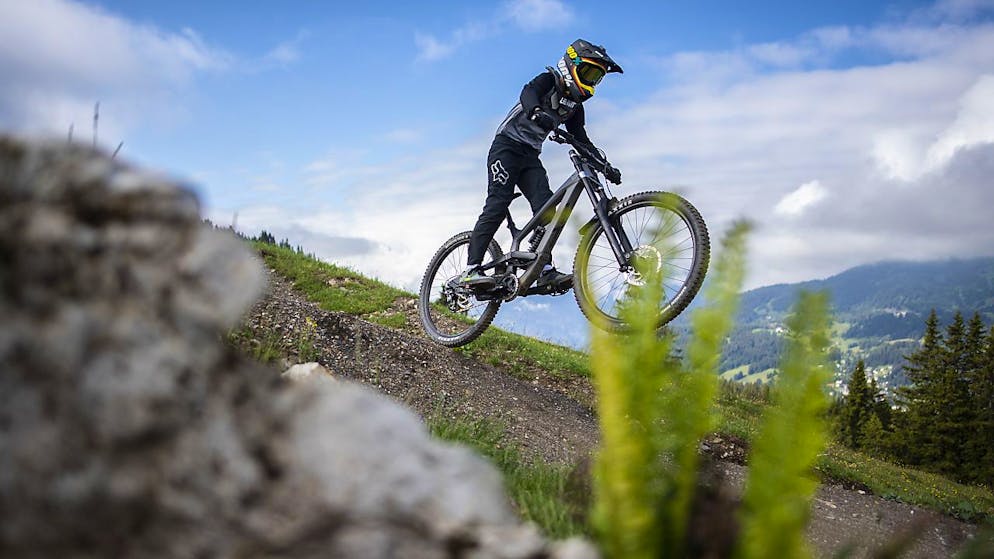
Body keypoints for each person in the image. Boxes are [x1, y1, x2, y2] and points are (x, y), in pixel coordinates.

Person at [458, 39, 623, 290]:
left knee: (547, 211)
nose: (591, 81)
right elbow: (528, 93)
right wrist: (535, 111)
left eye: (596, 78)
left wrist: (604, 165)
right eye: (588, 73)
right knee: (497, 204)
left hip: (530, 156)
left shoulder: (575, 107)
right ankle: (471, 269)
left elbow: (580, 138)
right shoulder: (549, 80)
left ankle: (543, 269)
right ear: (571, 65)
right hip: (506, 148)